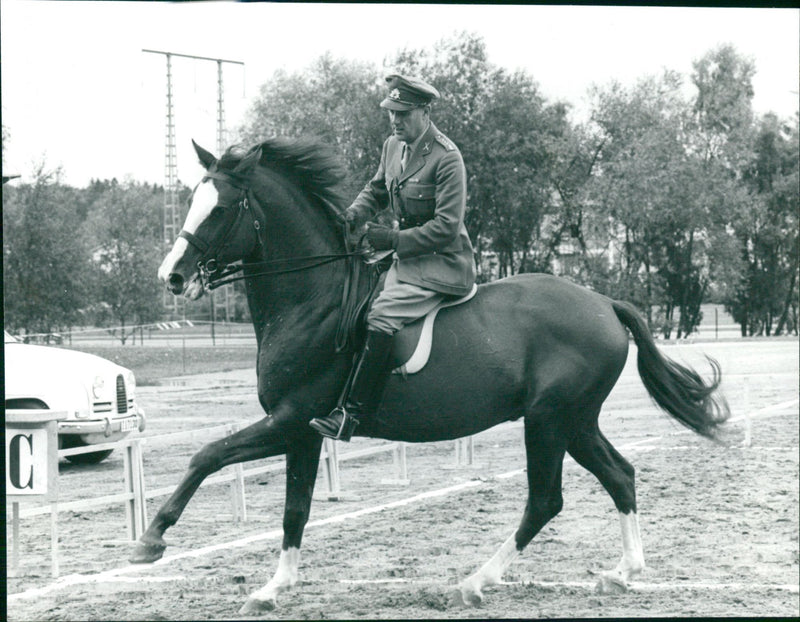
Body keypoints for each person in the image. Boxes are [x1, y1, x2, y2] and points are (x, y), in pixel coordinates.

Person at [309, 74, 477, 442]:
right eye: (391, 114)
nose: (395, 121)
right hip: (405, 259)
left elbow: (447, 227)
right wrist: (355, 213)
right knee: (354, 304)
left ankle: (351, 416)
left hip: (442, 263)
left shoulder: (447, 159)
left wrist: (392, 239)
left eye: (402, 114)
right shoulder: (392, 146)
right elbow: (376, 190)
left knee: (381, 316)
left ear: (424, 111)